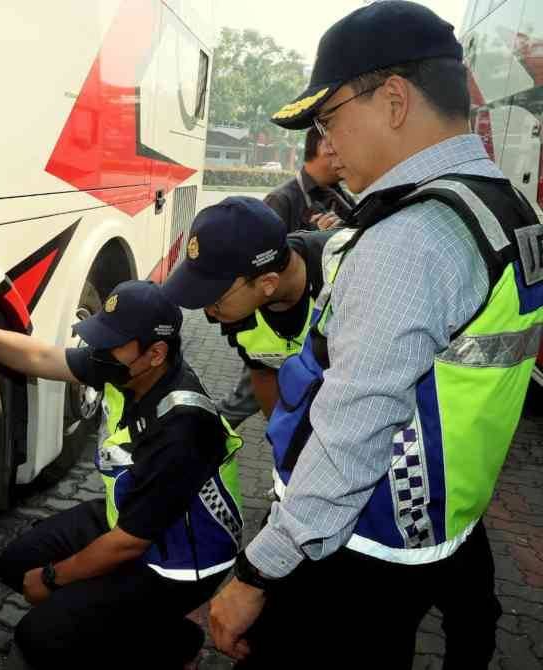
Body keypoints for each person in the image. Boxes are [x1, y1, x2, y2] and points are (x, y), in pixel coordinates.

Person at [205, 2, 542, 668]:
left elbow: (352, 434)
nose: (325, 148)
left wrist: (257, 572)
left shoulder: (413, 238)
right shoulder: (503, 204)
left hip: (360, 545)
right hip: (445, 521)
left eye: (329, 120)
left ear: (393, 100)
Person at [0, 280, 243, 669]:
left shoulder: (183, 427)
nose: (98, 352)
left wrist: (52, 578)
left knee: (41, 637)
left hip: (178, 563)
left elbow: (128, 544)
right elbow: (39, 357)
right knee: (15, 563)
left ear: (155, 353)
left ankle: (171, 642)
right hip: (132, 518)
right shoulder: (128, 368)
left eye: (112, 343)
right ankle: (135, 622)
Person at [166, 196, 341, 426]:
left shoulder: (349, 272)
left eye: (215, 300)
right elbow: (263, 372)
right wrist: (282, 439)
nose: (209, 313)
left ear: (268, 283)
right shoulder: (240, 308)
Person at [264, 127, 355, 233]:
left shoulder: (345, 199)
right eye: (345, 152)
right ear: (325, 148)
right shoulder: (280, 200)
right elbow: (266, 247)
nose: (351, 160)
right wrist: (311, 240)